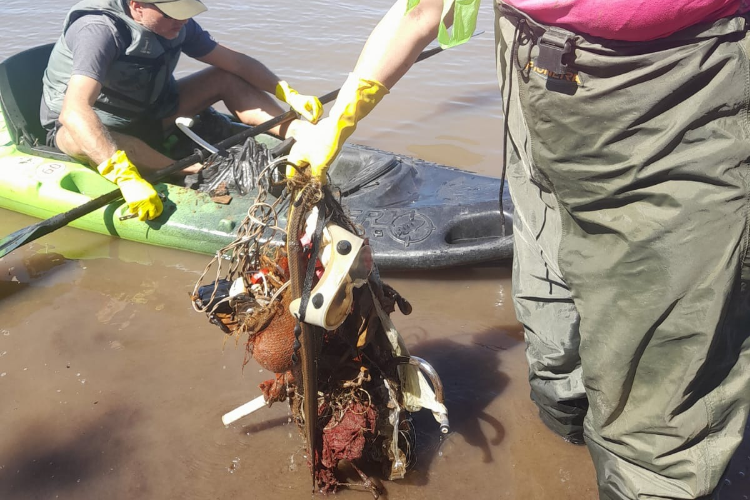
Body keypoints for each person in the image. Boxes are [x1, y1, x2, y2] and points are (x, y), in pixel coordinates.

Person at [287, 0, 750, 498]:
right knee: (550, 305)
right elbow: (422, 11)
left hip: (675, 73)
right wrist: (342, 115)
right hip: (527, 52)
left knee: (664, 381)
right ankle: (561, 440)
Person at [41, 0, 322, 221]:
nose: (183, 20)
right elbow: (74, 111)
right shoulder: (98, 31)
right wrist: (124, 177)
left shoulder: (175, 24)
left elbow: (236, 63)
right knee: (73, 134)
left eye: (185, 11)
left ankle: (298, 132)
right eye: (173, 14)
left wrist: (286, 92)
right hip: (92, 128)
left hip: (151, 112)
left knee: (224, 77)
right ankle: (192, 170)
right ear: (137, 6)